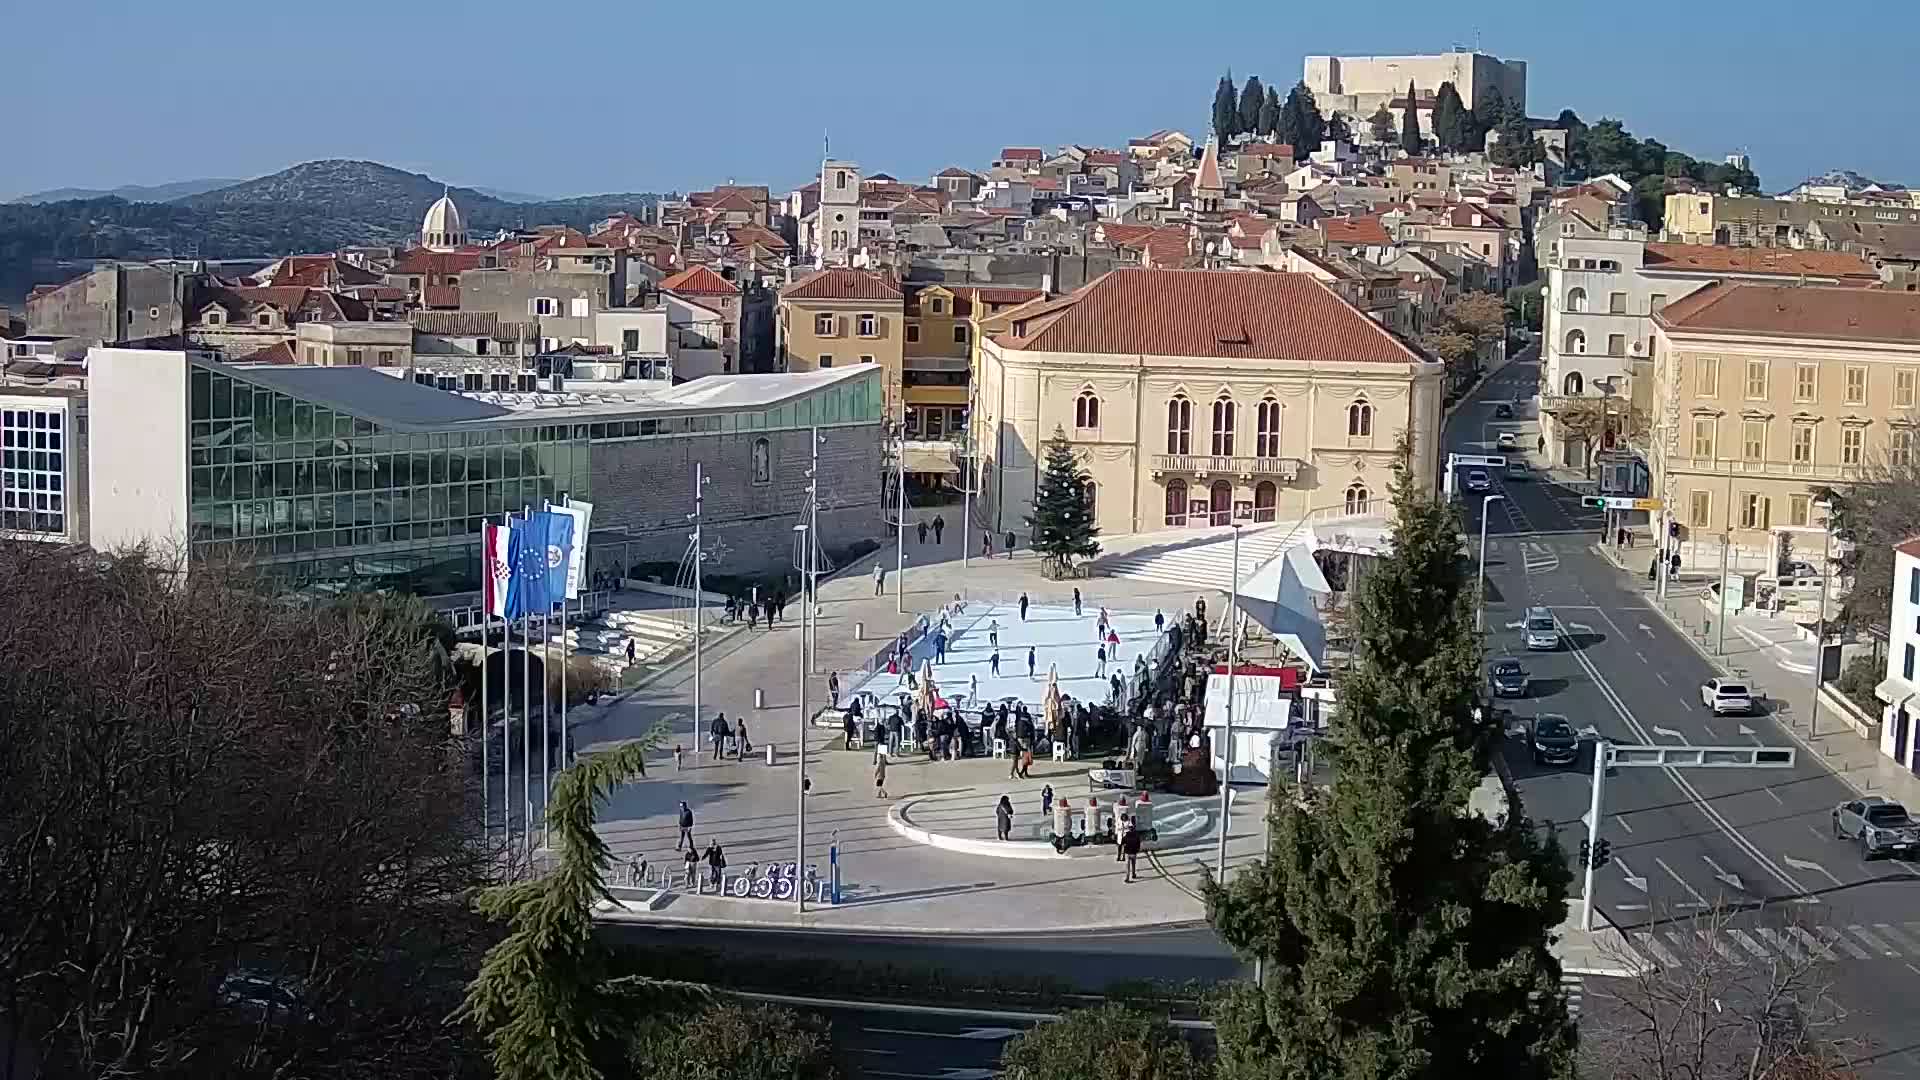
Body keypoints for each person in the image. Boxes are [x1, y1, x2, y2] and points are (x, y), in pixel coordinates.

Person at [1121, 818, 1142, 882]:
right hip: (1134, 853)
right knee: (1133, 864)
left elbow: (1122, 843)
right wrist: (1137, 850)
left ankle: (1127, 878)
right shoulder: (1136, 836)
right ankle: (1133, 874)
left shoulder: (1126, 836)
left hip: (1127, 853)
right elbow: (1138, 844)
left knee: (1127, 866)